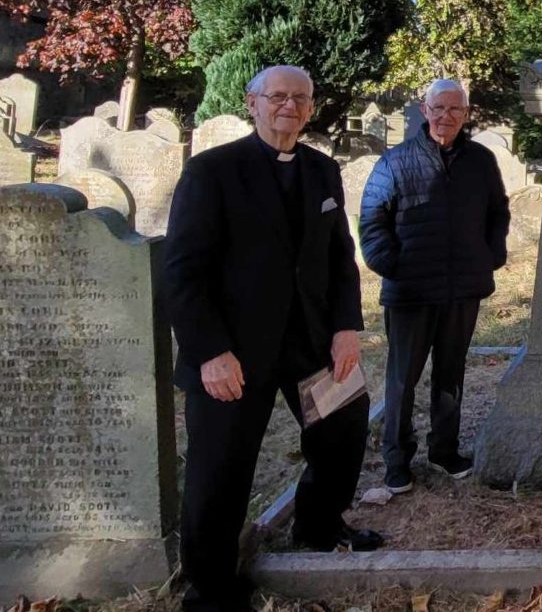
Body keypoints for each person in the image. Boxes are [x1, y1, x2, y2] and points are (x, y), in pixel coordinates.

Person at [166, 65, 383, 612]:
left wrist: (345, 328)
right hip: (233, 349)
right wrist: (210, 353)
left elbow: (339, 259)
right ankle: (211, 584)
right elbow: (184, 271)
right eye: (278, 96)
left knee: (344, 426)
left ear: (311, 108)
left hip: (311, 340)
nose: (290, 106)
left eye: (301, 98)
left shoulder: (321, 170)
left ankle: (317, 523)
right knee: (222, 464)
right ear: (253, 103)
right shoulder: (211, 171)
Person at [359, 79, 510, 494]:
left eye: (455, 110)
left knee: (450, 374)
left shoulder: (480, 161)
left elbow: (498, 211)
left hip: (462, 288)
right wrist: (391, 264)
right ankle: (396, 460)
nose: (446, 117)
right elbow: (373, 220)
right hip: (410, 290)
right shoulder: (395, 162)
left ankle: (444, 450)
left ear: (465, 114)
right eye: (438, 108)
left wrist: (491, 255)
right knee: (402, 379)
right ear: (425, 110)